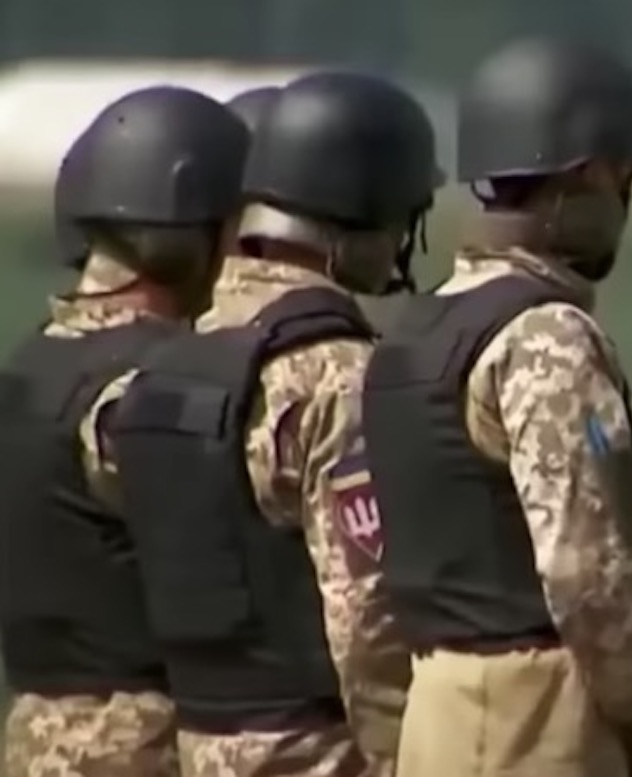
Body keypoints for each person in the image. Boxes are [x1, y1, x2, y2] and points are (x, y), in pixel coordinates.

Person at [95, 70, 441, 776]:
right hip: (319, 752)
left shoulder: (150, 376)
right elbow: (367, 617)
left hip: (198, 746)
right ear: (363, 220)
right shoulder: (339, 377)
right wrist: (404, 756)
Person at [362, 36, 632, 777]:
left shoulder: (410, 333)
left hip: (433, 711)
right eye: (625, 179)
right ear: (589, 174)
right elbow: (587, 570)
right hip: (534, 720)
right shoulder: (546, 336)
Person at [0, 86, 248, 777]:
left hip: (34, 733)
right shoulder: (153, 384)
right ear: (197, 236)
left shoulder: (29, 365)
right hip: (143, 741)